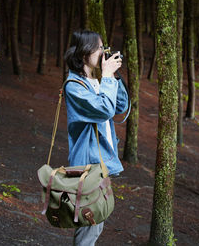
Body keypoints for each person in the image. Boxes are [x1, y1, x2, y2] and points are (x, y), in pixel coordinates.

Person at [63, 30, 129, 246]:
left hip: (101, 163)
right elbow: (104, 110)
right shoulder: (74, 86)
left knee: (96, 221)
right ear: (84, 52)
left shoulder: (96, 82)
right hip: (89, 166)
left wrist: (113, 76)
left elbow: (120, 106)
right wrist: (107, 77)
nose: (103, 52)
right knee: (90, 224)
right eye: (100, 48)